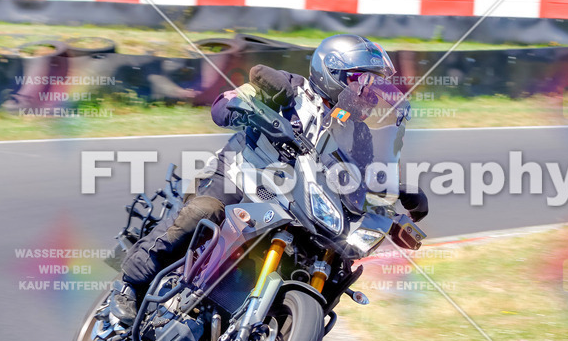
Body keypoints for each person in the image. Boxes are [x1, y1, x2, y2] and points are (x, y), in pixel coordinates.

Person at [111, 34, 428, 324]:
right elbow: (225, 105)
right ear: (332, 73)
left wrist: (399, 192)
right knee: (204, 211)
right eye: (362, 81)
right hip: (240, 176)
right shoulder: (291, 89)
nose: (368, 92)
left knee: (334, 263)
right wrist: (246, 108)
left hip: (298, 202)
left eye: (376, 85)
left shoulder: (358, 132)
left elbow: (367, 174)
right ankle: (131, 286)